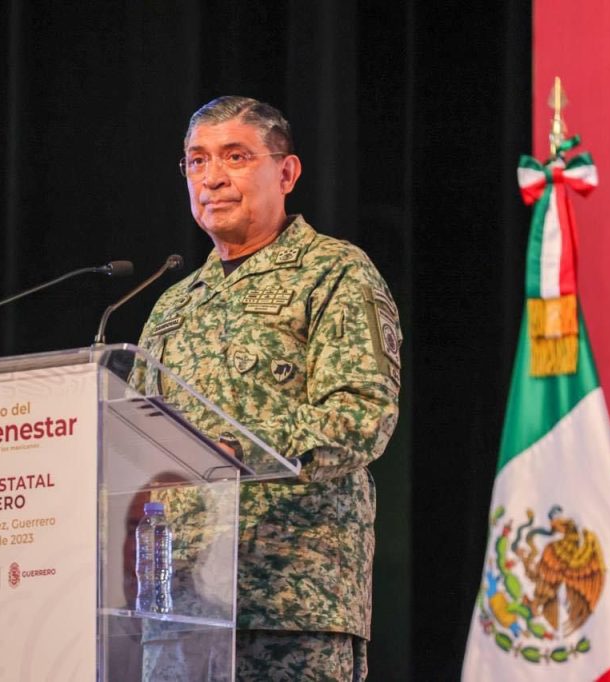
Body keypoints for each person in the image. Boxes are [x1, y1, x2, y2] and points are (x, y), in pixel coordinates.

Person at [132, 96, 401, 681]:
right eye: (197, 160)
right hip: (177, 610)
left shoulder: (333, 271)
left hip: (289, 604)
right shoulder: (172, 305)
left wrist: (237, 448)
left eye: (235, 156)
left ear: (286, 172)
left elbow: (362, 416)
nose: (212, 177)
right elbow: (132, 446)